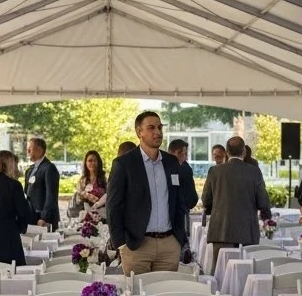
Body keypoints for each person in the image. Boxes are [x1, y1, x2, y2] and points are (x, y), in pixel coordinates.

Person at [107, 111, 187, 274]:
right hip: (137, 246)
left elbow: (178, 201)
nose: (157, 132)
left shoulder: (171, 162)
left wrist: (179, 239)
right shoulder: (123, 164)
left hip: (169, 245)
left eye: (159, 127)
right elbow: (113, 206)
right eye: (151, 128)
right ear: (139, 132)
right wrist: (121, 243)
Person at [201, 137, 270, 275]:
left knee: (220, 274)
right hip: (247, 232)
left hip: (221, 231)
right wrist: (266, 216)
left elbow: (206, 200)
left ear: (226, 152)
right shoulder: (254, 172)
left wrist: (212, 210)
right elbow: (263, 201)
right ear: (244, 151)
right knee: (246, 273)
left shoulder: (215, 171)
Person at [23, 137, 60, 229]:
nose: (27, 151)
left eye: (30, 149)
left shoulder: (49, 168)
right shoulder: (29, 170)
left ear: (39, 150)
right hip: (32, 217)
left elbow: (51, 196)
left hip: (44, 220)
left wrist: (44, 217)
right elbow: (26, 192)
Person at [73, 150, 108, 216]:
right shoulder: (82, 180)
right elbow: (78, 200)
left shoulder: (104, 179)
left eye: (95, 160)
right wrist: (84, 195)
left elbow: (109, 196)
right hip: (86, 215)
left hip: (102, 215)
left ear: (98, 162)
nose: (92, 163)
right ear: (85, 163)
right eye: (90, 161)